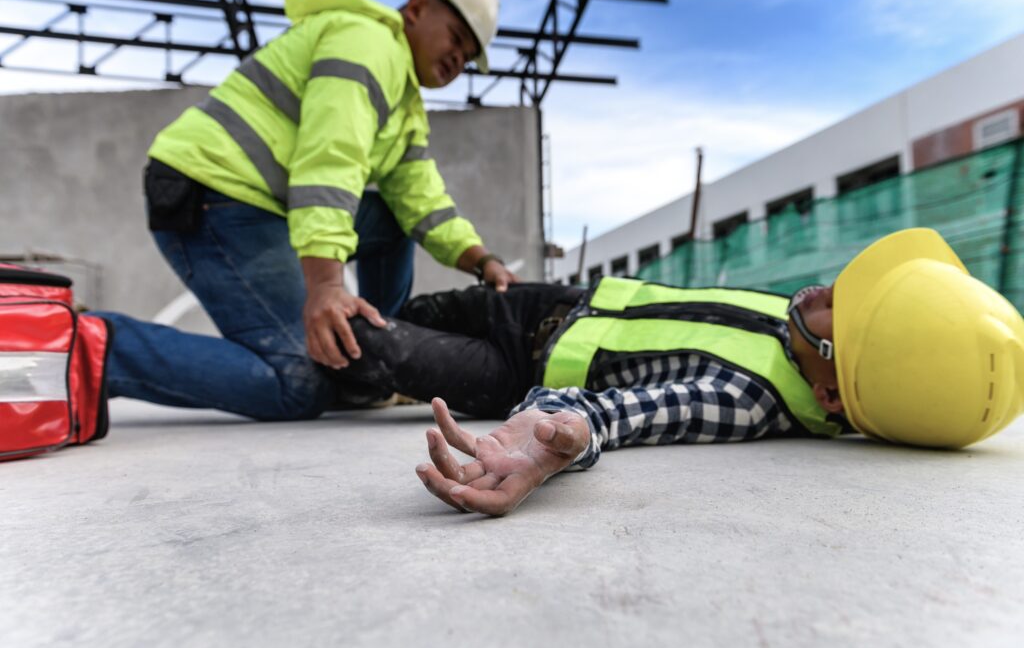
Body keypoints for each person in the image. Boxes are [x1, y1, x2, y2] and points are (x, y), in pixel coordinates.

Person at [330, 228, 1024, 516]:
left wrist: (549, 432)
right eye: (848, 283)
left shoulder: (750, 400)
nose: (827, 289)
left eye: (842, 309)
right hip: (559, 301)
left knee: (356, 339)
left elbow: (636, 411)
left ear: (830, 394)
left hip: (512, 363)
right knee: (398, 310)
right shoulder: (797, 320)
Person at [92, 0, 519, 420]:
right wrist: (327, 287)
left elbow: (420, 198)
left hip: (259, 205)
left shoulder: (406, 107)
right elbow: (329, 161)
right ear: (415, 9)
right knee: (298, 382)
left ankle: (373, 361)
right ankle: (99, 345)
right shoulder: (367, 44)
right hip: (210, 196)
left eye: (468, 57)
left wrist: (482, 260)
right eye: (456, 38)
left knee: (395, 219)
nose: (458, 58)